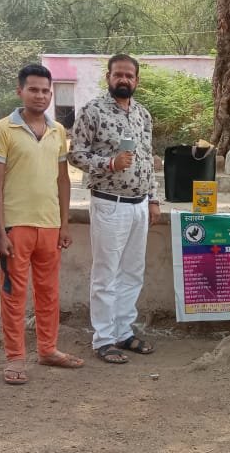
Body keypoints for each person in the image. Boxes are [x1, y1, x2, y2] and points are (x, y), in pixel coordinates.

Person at [0, 64, 82, 385]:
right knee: (13, 295)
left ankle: (48, 349)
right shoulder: (3, 129)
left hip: (50, 226)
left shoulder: (58, 131)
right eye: (33, 90)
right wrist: (0, 230)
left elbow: (63, 180)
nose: (40, 96)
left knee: (49, 293)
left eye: (45, 91)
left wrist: (64, 224)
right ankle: (15, 357)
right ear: (20, 91)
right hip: (16, 227)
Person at [69, 54, 161, 365]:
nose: (124, 79)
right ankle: (104, 339)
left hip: (139, 205)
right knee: (106, 274)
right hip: (110, 203)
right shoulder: (92, 111)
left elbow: (147, 157)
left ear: (137, 80)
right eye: (118, 74)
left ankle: (123, 332)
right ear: (108, 77)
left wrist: (153, 198)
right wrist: (109, 163)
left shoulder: (143, 114)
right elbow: (76, 154)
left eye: (129, 75)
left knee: (132, 273)